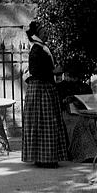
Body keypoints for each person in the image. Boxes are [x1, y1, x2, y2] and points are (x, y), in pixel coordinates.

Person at [21, 20, 69, 167]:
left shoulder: (42, 48)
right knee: (44, 123)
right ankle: (44, 159)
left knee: (45, 123)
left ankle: (44, 158)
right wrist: (52, 72)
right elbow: (35, 72)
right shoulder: (37, 50)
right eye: (44, 31)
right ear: (37, 33)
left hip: (45, 88)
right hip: (41, 90)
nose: (46, 33)